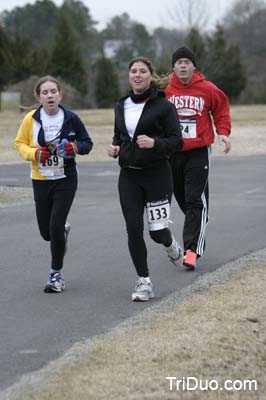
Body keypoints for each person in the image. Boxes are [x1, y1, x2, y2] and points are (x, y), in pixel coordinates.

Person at [107, 56, 183, 302]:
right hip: (128, 176)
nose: (137, 75)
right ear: (128, 76)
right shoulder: (121, 105)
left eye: (142, 71)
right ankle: (144, 281)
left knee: (157, 232)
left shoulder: (163, 106)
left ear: (150, 76)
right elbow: (119, 136)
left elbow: (176, 141)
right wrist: (115, 148)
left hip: (157, 176)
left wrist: (154, 143)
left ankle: (170, 244)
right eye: (133, 72)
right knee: (133, 229)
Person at [15, 76, 93, 293]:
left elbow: (88, 143)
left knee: (55, 225)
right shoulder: (31, 119)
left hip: (66, 179)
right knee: (47, 233)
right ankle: (61, 232)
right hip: (40, 180)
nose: (49, 95)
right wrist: (35, 153)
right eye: (45, 92)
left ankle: (55, 275)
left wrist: (73, 148)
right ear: (38, 97)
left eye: (53, 91)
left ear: (60, 95)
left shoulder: (71, 118)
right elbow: (19, 143)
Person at [165, 46, 231, 270]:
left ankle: (192, 250)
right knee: (183, 198)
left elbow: (221, 109)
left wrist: (223, 133)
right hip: (172, 152)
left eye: (187, 62)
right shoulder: (165, 90)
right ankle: (199, 218)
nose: (183, 65)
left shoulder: (207, 88)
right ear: (173, 67)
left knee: (195, 200)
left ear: (194, 66)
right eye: (179, 62)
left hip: (198, 151)